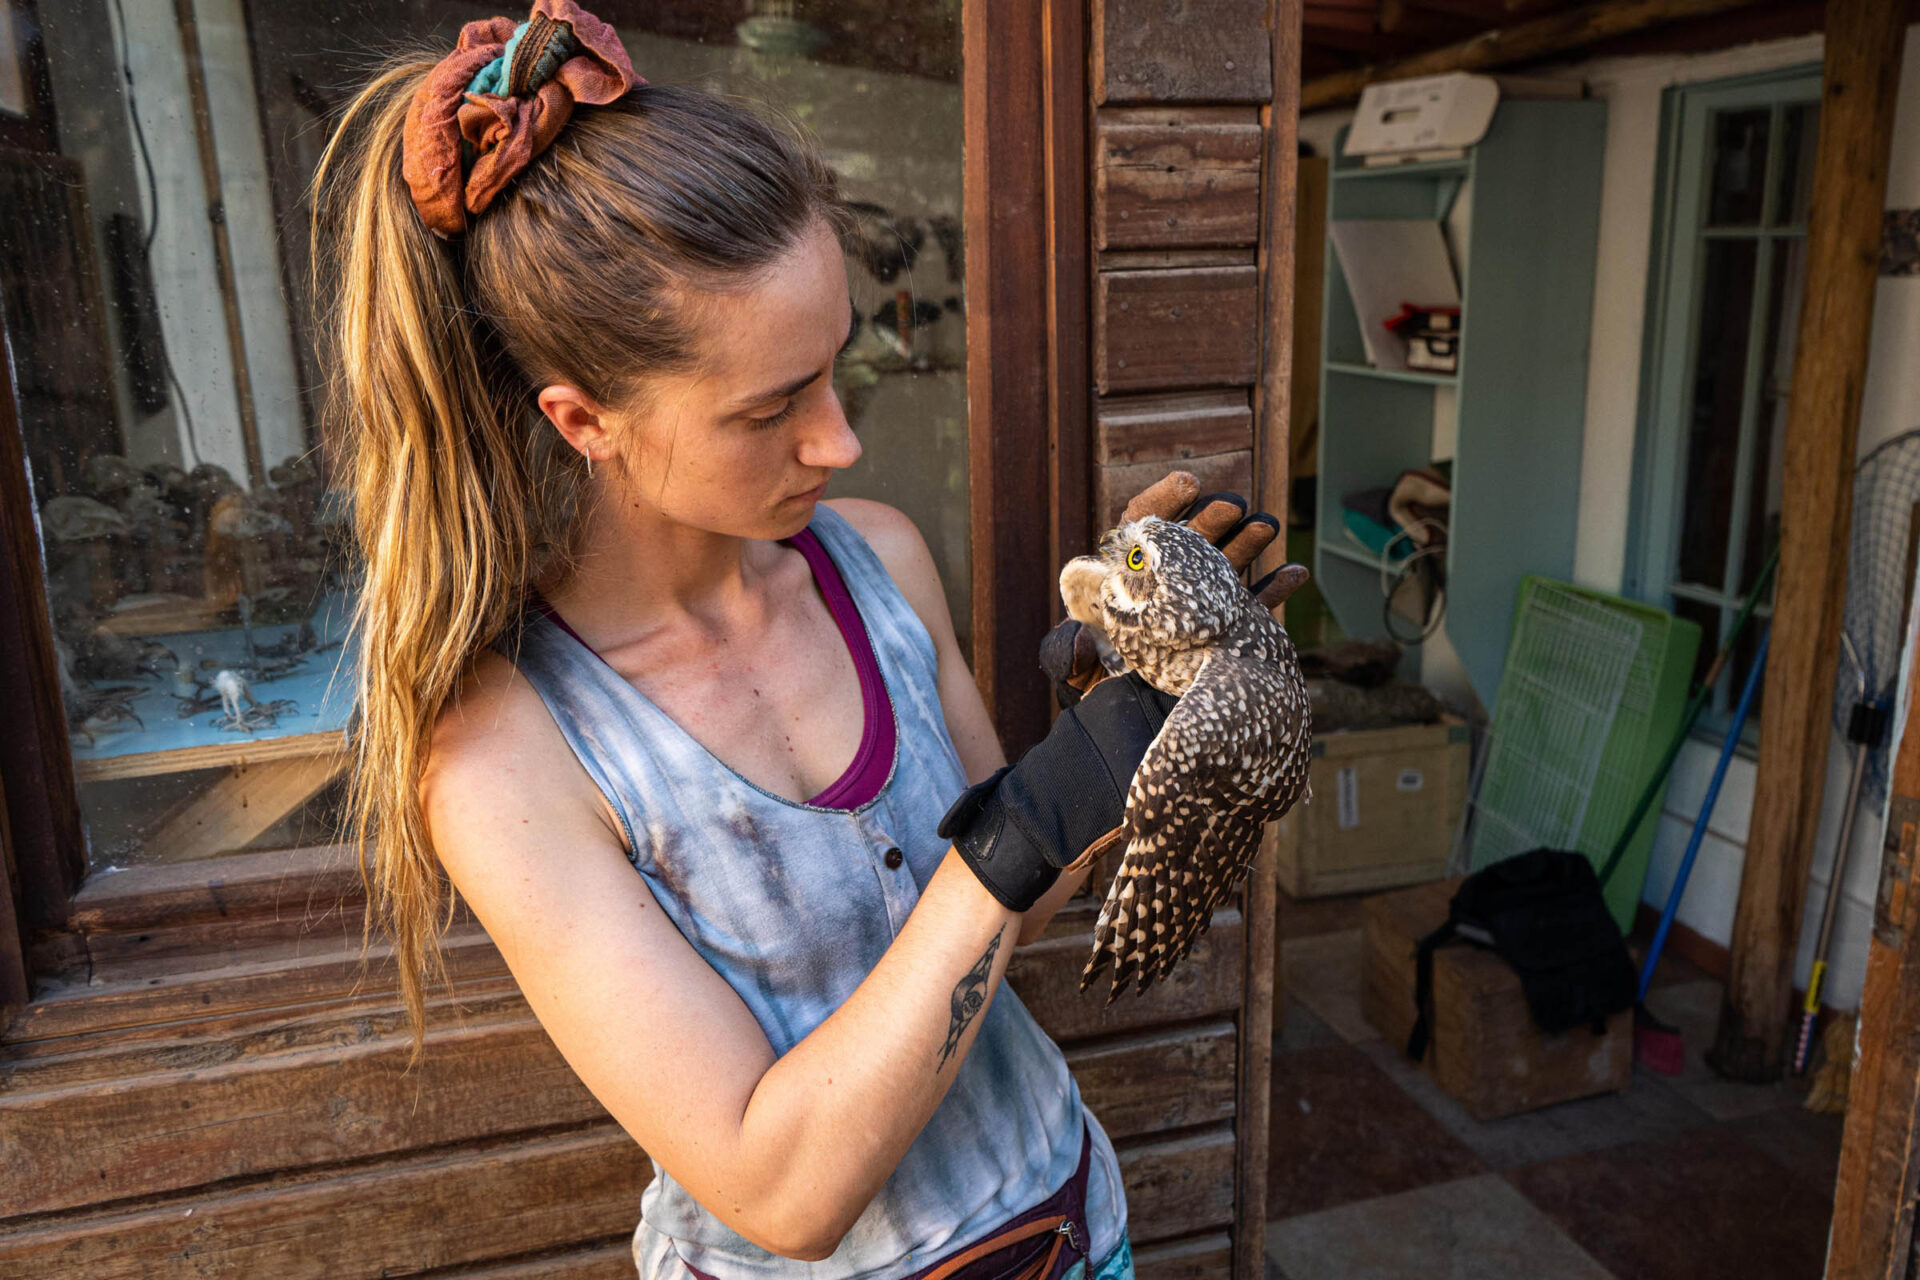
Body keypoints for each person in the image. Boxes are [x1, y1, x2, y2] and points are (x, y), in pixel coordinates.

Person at [315, 5, 1291, 1277]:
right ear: (582, 416)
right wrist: (1029, 824)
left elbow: (1008, 925)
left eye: (837, 369)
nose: (838, 443)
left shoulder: (876, 561)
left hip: (1067, 1226)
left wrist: (1137, 727)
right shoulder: (507, 755)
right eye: (770, 408)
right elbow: (782, 1186)